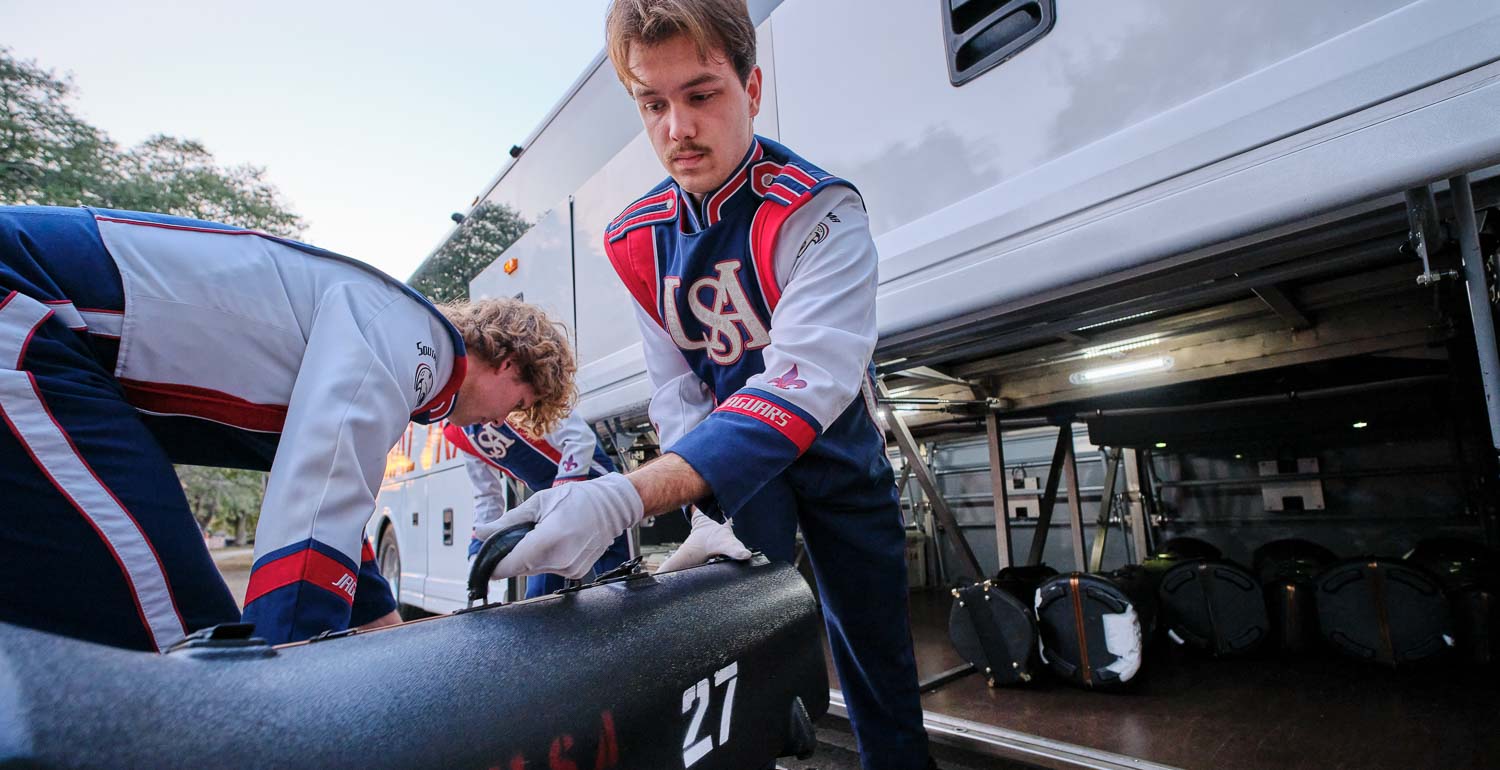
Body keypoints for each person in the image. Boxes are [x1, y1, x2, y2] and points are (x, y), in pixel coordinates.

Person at [476, 1, 932, 766]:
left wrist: (626, 496)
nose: (677, 129)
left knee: (876, 656)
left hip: (836, 451)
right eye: (652, 104)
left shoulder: (820, 209)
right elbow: (679, 391)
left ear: (752, 88)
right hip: (736, 473)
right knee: (732, 657)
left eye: (701, 93)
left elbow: (804, 384)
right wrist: (701, 507)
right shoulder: (634, 239)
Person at [0, 205, 575, 651]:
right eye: (518, 403)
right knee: (195, 645)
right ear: (508, 364)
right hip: (27, 311)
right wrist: (292, 677)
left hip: (46, 329)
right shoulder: (417, 341)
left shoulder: (397, 347)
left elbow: (333, 506)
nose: (503, 421)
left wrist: (383, 625)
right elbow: (316, 509)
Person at [445, 411, 632, 597]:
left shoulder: (514, 397)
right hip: (551, 505)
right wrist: (478, 549)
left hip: (597, 491)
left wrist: (560, 497)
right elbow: (487, 496)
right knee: (539, 594)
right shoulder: (460, 432)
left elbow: (579, 439)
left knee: (617, 584)